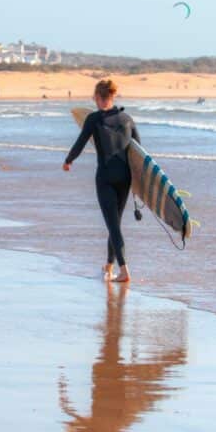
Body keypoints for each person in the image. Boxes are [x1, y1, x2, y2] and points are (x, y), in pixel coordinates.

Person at [63, 79, 140, 283]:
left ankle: (124, 271)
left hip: (105, 177)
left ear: (98, 97)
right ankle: (108, 266)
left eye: (95, 97)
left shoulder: (94, 119)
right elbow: (139, 154)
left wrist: (68, 160)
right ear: (112, 97)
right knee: (114, 224)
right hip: (125, 179)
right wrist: (140, 184)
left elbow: (80, 143)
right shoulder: (127, 119)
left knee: (113, 226)